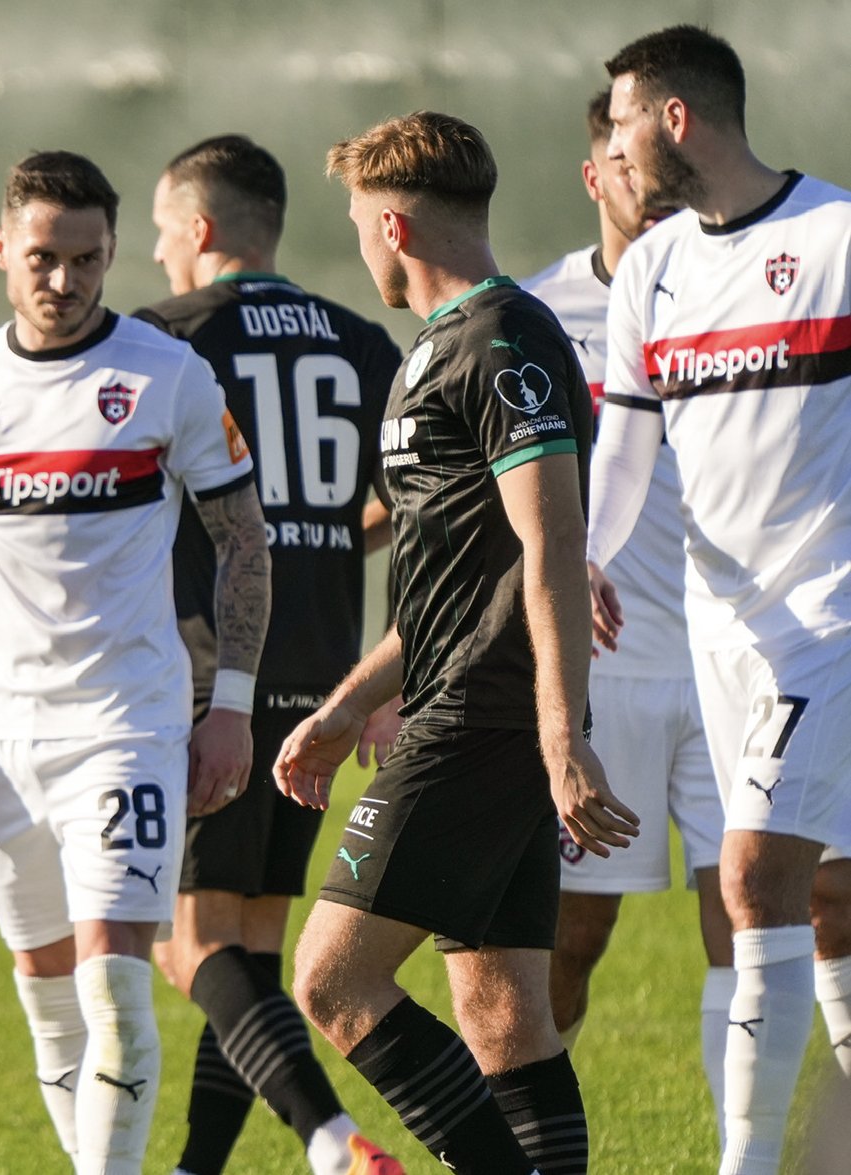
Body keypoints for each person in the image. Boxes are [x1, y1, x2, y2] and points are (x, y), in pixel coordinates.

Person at [278, 110, 638, 1175]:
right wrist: (346, 707)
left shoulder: (502, 336)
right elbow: (447, 581)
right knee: (500, 1014)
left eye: (355, 223)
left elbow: (552, 537)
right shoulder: (437, 348)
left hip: (486, 716)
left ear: (391, 223)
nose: (357, 243)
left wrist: (559, 733)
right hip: (467, 706)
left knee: (332, 979)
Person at [0, 149, 272, 1174]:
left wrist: (227, 702)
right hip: (4, 736)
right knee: (47, 996)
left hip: (126, 725)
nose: (64, 281)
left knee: (117, 992)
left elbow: (242, 538)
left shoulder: (165, 373)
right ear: (3, 249)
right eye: (43, 257)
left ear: (111, 252)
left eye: (87, 259)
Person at [587, 25, 851, 1174]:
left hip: (832, 613)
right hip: (722, 630)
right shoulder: (652, 270)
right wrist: (583, 558)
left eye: (621, 121)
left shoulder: (837, 235)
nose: (611, 146)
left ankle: (745, 1164)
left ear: (675, 118)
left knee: (750, 876)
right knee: (830, 899)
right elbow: (624, 453)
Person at [133, 134, 404, 1175]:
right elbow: (411, 507)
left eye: (162, 232)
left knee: (188, 944)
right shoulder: (356, 339)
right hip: (327, 670)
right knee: (240, 946)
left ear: (199, 230)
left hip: (215, 676)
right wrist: (335, 547)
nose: (159, 255)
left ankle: (330, 1142)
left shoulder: (167, 336)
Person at [522, 89, 737, 1129]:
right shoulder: (536, 314)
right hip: (603, 679)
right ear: (592, 176)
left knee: (762, 913)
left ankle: (755, 1149)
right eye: (619, 162)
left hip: (742, 661)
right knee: (567, 935)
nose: (639, 183)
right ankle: (528, 1143)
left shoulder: (746, 295)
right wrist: (571, 551)